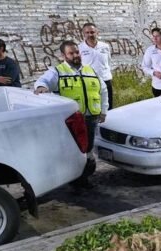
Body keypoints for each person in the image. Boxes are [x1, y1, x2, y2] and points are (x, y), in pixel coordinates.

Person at [34, 40, 108, 189]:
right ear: (63, 55)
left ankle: (84, 179)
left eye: (76, 52)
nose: (75, 55)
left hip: (90, 118)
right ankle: (75, 182)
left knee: (87, 151)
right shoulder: (57, 71)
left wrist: (103, 111)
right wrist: (41, 87)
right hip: (71, 121)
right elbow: (42, 82)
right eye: (71, 53)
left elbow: (103, 90)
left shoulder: (90, 70)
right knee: (73, 152)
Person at [79, 23, 113, 109]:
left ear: (97, 33)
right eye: (87, 32)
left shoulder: (105, 46)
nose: (90, 34)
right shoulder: (80, 48)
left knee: (108, 106)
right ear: (83, 34)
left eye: (92, 32)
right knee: (93, 107)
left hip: (105, 80)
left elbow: (108, 62)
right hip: (89, 82)